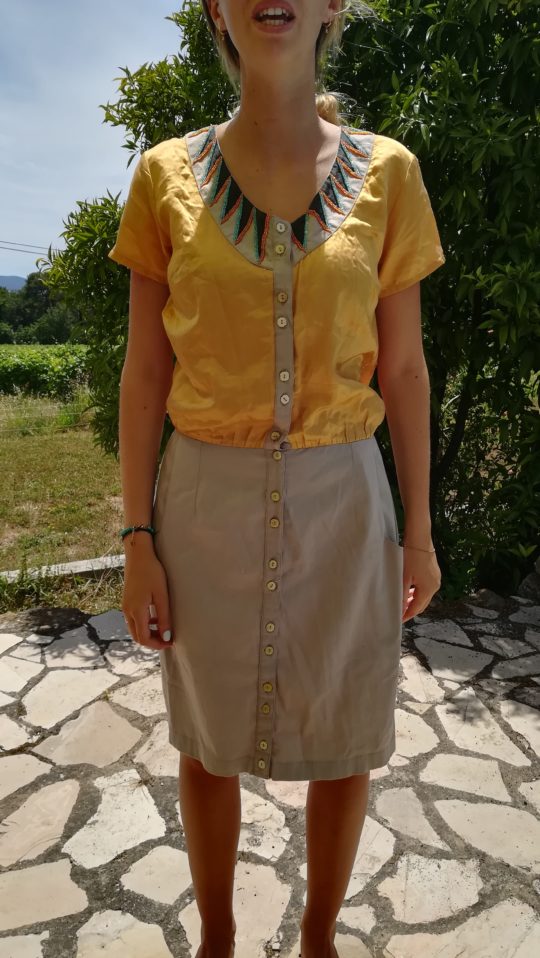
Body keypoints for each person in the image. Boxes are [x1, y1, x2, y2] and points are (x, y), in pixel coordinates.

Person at [108, 1, 445, 956]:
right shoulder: (163, 177)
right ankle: (216, 937)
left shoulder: (390, 173)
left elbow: (404, 369)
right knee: (206, 740)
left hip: (346, 502)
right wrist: (136, 540)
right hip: (201, 506)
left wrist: (419, 531)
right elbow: (144, 373)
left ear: (334, 3)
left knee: (347, 736)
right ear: (216, 8)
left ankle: (319, 939)